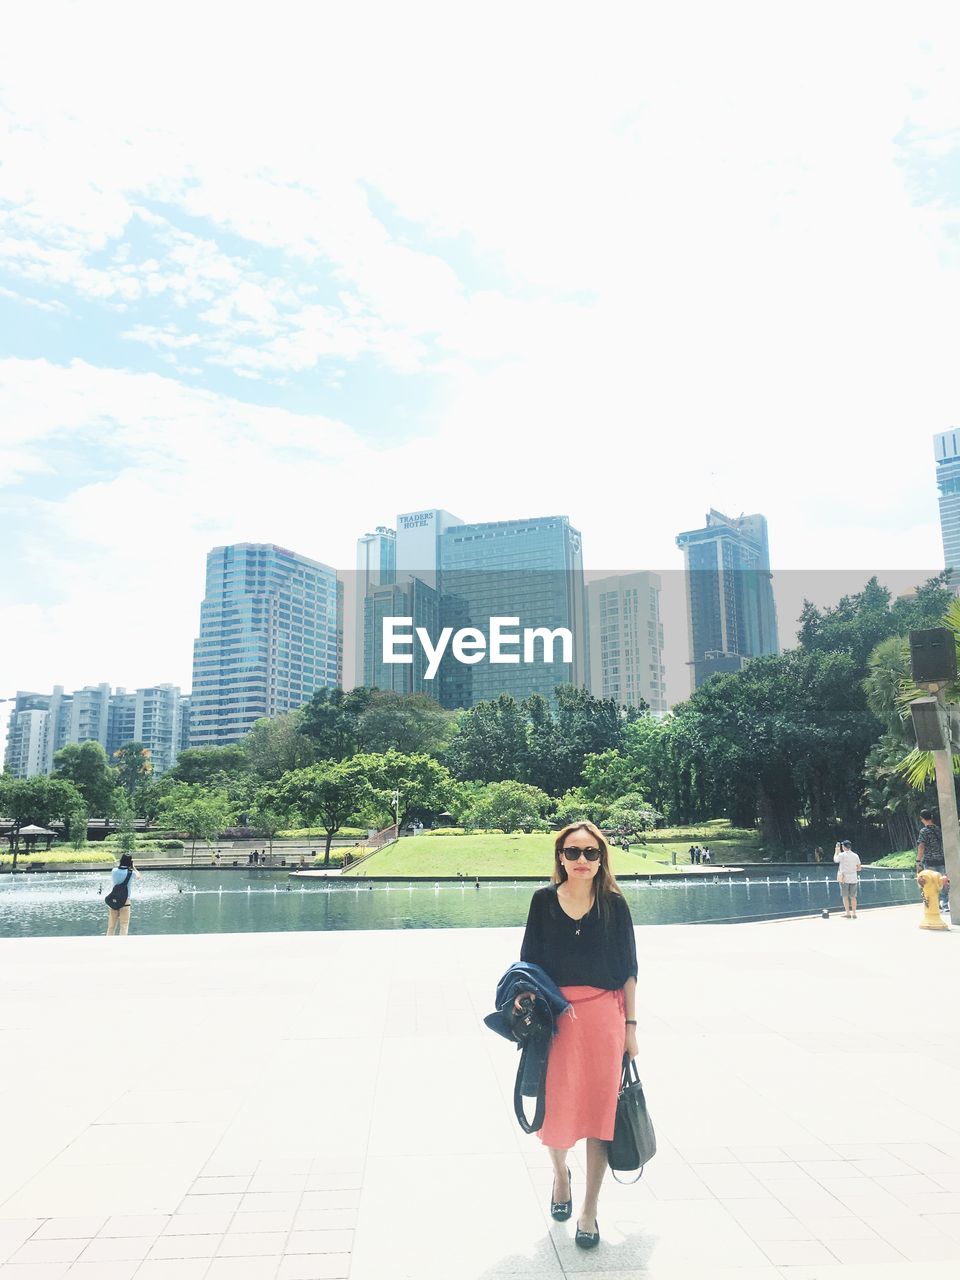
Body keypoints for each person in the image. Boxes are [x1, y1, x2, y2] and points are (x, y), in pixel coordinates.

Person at [514, 821, 638, 1250]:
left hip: (605, 1018)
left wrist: (631, 1029)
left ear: (602, 858)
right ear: (560, 857)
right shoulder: (543, 902)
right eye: (573, 852)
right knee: (557, 1109)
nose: (581, 860)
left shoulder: (615, 906)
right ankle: (560, 1174)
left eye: (590, 853)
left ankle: (589, 1209)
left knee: (600, 1115)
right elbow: (528, 962)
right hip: (555, 1018)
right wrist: (524, 1002)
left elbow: (629, 972)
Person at [916, 809, 948, 910]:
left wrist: (918, 860)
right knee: (942, 881)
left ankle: (935, 904)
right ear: (931, 817)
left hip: (929, 861)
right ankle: (945, 903)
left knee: (931, 882)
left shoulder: (924, 831)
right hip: (941, 859)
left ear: (922, 819)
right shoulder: (938, 829)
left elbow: (921, 847)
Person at [106, 853, 142, 937]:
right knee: (124, 925)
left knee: (111, 926)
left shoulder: (114, 871)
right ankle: (121, 944)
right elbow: (139, 876)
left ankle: (107, 943)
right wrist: (133, 867)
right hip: (125, 900)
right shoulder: (131, 873)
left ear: (121, 860)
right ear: (130, 862)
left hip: (114, 900)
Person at [833, 840, 862, 918]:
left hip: (844, 879)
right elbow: (859, 868)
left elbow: (835, 860)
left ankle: (848, 913)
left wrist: (836, 851)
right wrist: (852, 870)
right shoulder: (856, 855)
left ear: (843, 847)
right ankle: (854, 913)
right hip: (853, 878)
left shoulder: (841, 855)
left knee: (845, 896)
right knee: (853, 897)